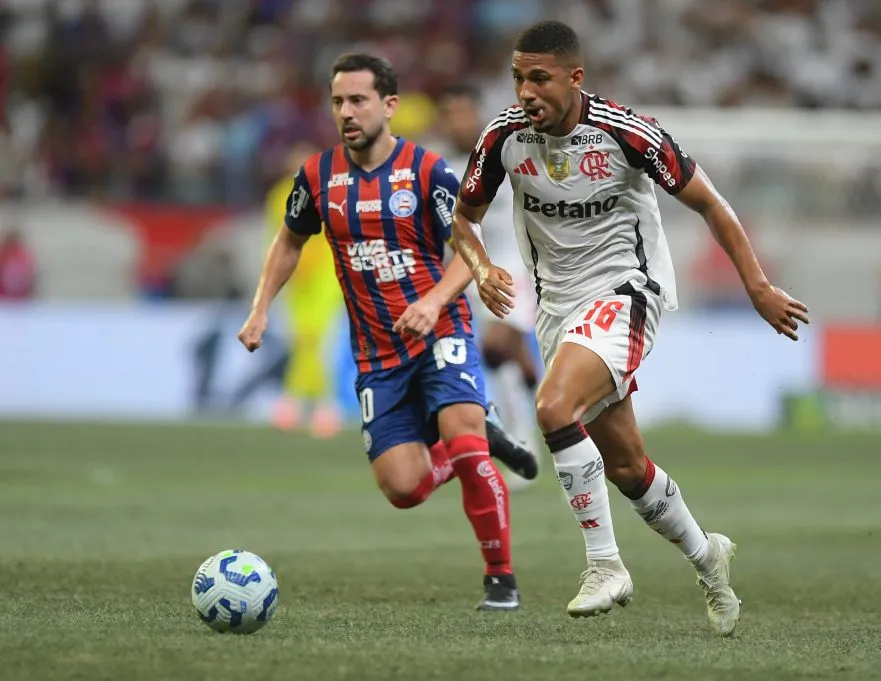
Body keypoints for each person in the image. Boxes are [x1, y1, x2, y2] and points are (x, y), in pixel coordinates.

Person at [449, 21, 810, 633]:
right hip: (556, 309)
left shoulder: (627, 133)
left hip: (627, 291)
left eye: (539, 78)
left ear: (574, 77)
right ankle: (708, 557)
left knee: (553, 406)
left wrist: (756, 285)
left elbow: (709, 202)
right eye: (517, 78)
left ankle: (605, 565)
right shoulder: (502, 137)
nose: (526, 91)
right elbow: (464, 218)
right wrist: (480, 269)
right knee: (626, 468)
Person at [239, 53, 540, 611]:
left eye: (358, 100)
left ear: (389, 105)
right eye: (338, 102)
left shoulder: (427, 172)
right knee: (404, 488)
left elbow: (469, 249)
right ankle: (483, 437)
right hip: (378, 354)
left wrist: (433, 301)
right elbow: (288, 241)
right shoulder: (318, 177)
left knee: (467, 446)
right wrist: (260, 310)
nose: (347, 112)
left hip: (442, 330)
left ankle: (501, 579)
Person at [434, 84, 541, 491]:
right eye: (451, 115)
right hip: (468, 270)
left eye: (464, 113)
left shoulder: (504, 151)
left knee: (496, 348)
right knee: (506, 361)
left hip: (515, 265)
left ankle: (522, 443)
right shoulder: (440, 167)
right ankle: (540, 413)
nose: (458, 122)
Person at [263, 142, 347, 438]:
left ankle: (316, 404)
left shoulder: (332, 192)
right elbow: (277, 235)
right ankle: (306, 402)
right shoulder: (278, 196)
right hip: (296, 275)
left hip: (326, 274)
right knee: (300, 338)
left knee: (321, 337)